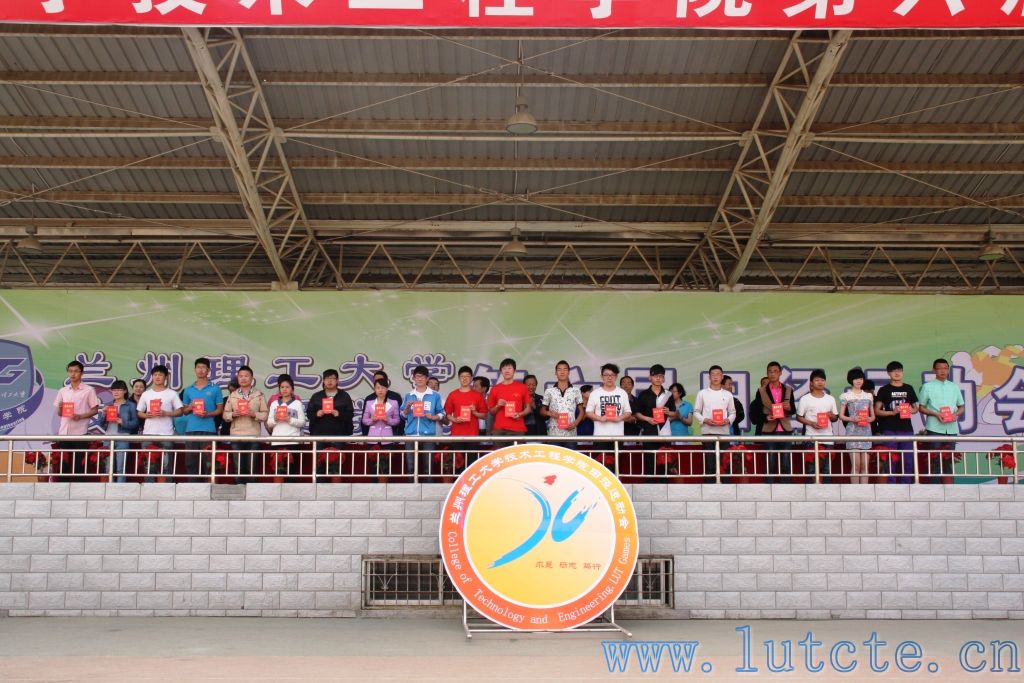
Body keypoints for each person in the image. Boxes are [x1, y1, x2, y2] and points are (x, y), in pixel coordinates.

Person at [917, 358, 965, 484]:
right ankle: (935, 489)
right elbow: (921, 407)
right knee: (935, 460)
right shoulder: (927, 387)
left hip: (951, 428)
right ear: (934, 370)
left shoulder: (954, 387)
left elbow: (962, 407)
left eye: (945, 368)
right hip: (934, 428)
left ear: (948, 370)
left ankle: (949, 489)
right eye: (939, 368)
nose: (943, 371)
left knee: (949, 460)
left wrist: (955, 414)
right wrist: (935, 414)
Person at [52, 360, 100, 480]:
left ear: (82, 373)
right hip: (64, 432)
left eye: (76, 371)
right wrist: (60, 408)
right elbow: (59, 413)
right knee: (64, 463)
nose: (73, 374)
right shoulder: (63, 391)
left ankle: (79, 487)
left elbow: (95, 410)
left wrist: (80, 416)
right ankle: (63, 487)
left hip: (80, 432)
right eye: (70, 371)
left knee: (79, 463)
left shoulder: (88, 390)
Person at [222, 365, 269, 484]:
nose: (243, 378)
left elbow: (265, 415)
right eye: (241, 376)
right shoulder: (233, 395)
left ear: (252, 378)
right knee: (238, 466)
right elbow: (225, 415)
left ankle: (251, 490)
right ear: (238, 378)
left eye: (246, 376)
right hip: (236, 435)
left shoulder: (259, 395)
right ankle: (239, 488)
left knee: (251, 465)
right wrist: (233, 414)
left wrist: (254, 414)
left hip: (253, 435)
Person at [136, 365, 184, 481]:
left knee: (166, 465)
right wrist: (146, 415)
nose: (157, 377)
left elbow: (180, 411)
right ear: (152, 377)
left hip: (166, 434)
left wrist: (166, 413)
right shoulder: (146, 394)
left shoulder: (172, 393)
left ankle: (167, 489)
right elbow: (139, 412)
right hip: (148, 433)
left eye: (160, 375)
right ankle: (149, 489)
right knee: (148, 466)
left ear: (165, 377)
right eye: (155, 375)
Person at [874, 361, 919, 484]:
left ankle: (907, 484)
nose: (897, 373)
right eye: (894, 371)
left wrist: (910, 410)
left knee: (908, 459)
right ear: (889, 373)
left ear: (902, 372)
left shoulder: (909, 388)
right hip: (889, 429)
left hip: (907, 429)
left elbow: (916, 408)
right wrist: (892, 412)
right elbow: (877, 411)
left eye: (899, 370)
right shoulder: (884, 390)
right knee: (890, 459)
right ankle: (891, 485)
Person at [181, 357, 224, 481]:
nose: (201, 370)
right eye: (198, 367)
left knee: (208, 461)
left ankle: (208, 487)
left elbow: (219, 410)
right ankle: (194, 488)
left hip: (209, 429)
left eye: (203, 367)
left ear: (208, 370)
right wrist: (190, 407)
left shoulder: (215, 389)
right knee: (191, 461)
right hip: (191, 429)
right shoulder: (188, 390)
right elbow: (184, 411)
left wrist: (208, 414)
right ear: (195, 370)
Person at [401, 365, 445, 479]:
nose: (420, 379)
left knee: (428, 467)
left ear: (427, 378)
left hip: (428, 435)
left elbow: (442, 413)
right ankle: (411, 488)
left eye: (422, 376)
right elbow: (402, 416)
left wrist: (433, 417)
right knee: (410, 467)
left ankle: (429, 487)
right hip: (411, 435)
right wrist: (407, 408)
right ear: (413, 378)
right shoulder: (409, 395)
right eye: (417, 376)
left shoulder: (435, 395)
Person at [693, 365, 735, 483]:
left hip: (724, 433)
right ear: (709, 377)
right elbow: (696, 412)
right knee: (710, 462)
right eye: (713, 374)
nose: (715, 377)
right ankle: (709, 486)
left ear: (722, 376)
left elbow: (733, 412)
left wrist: (728, 420)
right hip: (708, 432)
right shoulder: (702, 393)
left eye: (718, 374)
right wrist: (705, 420)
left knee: (725, 462)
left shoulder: (728, 394)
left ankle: (726, 487)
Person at [757, 361, 797, 483]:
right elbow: (756, 411)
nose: (772, 374)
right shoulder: (761, 391)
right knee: (770, 461)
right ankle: (769, 486)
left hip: (785, 430)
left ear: (780, 373)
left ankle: (786, 486)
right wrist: (766, 417)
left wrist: (789, 408)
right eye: (770, 372)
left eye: (775, 371)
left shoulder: (788, 389)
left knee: (786, 461)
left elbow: (793, 410)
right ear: (767, 373)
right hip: (769, 430)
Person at [795, 369, 839, 481]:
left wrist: (831, 415)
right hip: (811, 438)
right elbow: (799, 417)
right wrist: (811, 423)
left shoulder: (830, 399)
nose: (820, 382)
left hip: (828, 438)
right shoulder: (805, 399)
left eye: (822, 380)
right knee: (811, 470)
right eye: (817, 380)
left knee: (826, 470)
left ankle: (827, 491)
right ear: (811, 383)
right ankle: (811, 491)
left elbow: (835, 418)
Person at [584, 363, 632, 460]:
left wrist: (619, 418)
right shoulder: (595, 393)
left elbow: (628, 412)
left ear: (616, 376)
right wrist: (600, 418)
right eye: (606, 375)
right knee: (601, 465)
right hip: (600, 436)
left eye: (612, 375)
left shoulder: (622, 393)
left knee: (616, 464)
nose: (609, 377)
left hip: (618, 436)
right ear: (601, 376)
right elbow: (588, 412)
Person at [444, 366, 488, 467]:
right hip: (456, 435)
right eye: (462, 376)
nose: (464, 378)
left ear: (471, 378)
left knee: (471, 464)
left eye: (467, 376)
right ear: (459, 378)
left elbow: (484, 415)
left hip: (472, 435)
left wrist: (475, 412)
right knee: (458, 464)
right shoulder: (453, 395)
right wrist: (455, 419)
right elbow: (447, 414)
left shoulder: (477, 395)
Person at [266, 374, 307, 478]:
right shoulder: (274, 403)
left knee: (291, 472)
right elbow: (269, 423)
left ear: (292, 389)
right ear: (279, 389)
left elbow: (302, 422)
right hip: (277, 441)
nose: (284, 389)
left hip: (292, 440)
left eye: (287, 387)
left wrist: (290, 419)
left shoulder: (297, 403)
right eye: (282, 387)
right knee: (278, 471)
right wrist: (275, 419)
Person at [634, 364, 672, 476]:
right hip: (649, 433)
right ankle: (650, 485)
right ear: (650, 377)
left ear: (664, 378)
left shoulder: (668, 395)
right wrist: (647, 419)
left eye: (661, 376)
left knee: (665, 464)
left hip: (665, 433)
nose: (658, 378)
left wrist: (669, 412)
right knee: (650, 464)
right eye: (655, 376)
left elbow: (675, 413)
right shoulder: (643, 395)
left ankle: (665, 485)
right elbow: (636, 413)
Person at [99, 379, 139, 483]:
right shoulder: (108, 405)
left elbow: (135, 423)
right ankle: (109, 489)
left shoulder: (131, 405)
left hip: (123, 438)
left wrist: (123, 422)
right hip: (108, 438)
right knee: (108, 468)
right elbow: (101, 425)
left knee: (121, 468)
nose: (116, 392)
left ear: (125, 391)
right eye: (113, 390)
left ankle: (120, 489)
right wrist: (103, 414)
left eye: (119, 390)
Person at [840, 367, 875, 484]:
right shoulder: (846, 396)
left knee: (865, 466)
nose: (858, 381)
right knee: (856, 465)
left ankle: (864, 491)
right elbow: (841, 416)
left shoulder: (868, 396)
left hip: (866, 432)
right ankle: (854, 491)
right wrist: (852, 418)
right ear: (851, 380)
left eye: (860, 378)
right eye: (855, 379)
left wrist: (869, 418)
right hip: (852, 432)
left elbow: (873, 416)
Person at [307, 369, 355, 449]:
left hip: (339, 435)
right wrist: (317, 414)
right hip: (319, 435)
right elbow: (309, 413)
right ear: (323, 381)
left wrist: (339, 414)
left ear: (337, 380)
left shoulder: (344, 396)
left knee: (336, 456)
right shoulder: (316, 396)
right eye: (327, 378)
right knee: (319, 456)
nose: (329, 381)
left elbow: (350, 414)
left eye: (332, 378)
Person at [487, 358, 532, 438]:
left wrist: (519, 414)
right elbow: (491, 412)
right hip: (499, 429)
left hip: (517, 429)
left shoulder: (522, 387)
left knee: (518, 447)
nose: (507, 371)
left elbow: (528, 409)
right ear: (501, 371)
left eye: (509, 368)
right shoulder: (495, 389)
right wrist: (498, 406)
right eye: (504, 368)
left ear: (514, 371)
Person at [540, 360, 584, 442]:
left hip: (571, 433)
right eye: (559, 369)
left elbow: (581, 411)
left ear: (569, 372)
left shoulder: (576, 391)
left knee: (570, 451)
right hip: (554, 434)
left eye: (565, 369)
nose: (562, 372)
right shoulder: (549, 391)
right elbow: (542, 411)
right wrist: (550, 413)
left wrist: (575, 423)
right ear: (556, 373)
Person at [361, 370, 404, 437]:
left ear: (386, 388)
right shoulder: (369, 401)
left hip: (389, 435)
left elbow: (398, 420)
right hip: (373, 435)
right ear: (374, 388)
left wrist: (388, 420)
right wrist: (372, 420)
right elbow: (364, 420)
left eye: (382, 387)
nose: (380, 390)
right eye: (378, 387)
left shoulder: (394, 401)